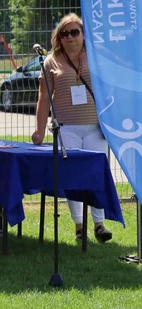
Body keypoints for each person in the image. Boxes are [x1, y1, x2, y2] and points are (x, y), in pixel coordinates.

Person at [31, 13, 113, 244]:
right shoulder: (51, 61)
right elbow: (44, 98)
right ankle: (79, 226)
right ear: (59, 37)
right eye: (64, 33)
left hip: (96, 127)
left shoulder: (96, 57)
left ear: (84, 34)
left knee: (95, 174)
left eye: (75, 32)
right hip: (66, 128)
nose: (70, 37)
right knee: (72, 177)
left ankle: (99, 224)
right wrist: (38, 130)